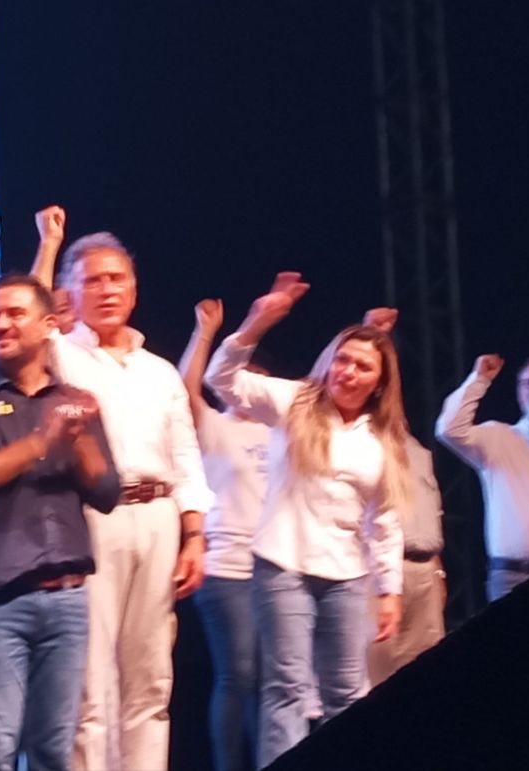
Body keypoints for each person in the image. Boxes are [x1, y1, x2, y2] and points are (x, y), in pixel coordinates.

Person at [31, 206, 214, 771]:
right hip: (94, 517)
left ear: (133, 291)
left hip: (158, 518)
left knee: (151, 673)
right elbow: (32, 318)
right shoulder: (64, 355)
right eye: (92, 280)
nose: (107, 289)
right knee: (90, 676)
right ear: (70, 293)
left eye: (117, 279)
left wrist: (194, 536)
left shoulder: (160, 371)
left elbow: (186, 456)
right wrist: (49, 245)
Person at [204, 273, 407, 768]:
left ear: (379, 382)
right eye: (342, 359)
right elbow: (221, 379)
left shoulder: (380, 438)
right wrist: (256, 323)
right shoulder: (296, 402)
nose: (348, 371)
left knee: (347, 692)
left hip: (347, 575)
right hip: (284, 565)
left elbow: (384, 520)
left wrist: (390, 589)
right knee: (289, 687)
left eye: (362, 366)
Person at [0, 274, 119, 770]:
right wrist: (41, 442)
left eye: (14, 313)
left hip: (66, 600)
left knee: (54, 753)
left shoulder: (75, 398)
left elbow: (106, 493)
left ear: (48, 325)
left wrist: (79, 437)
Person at [178, 298, 271, 771]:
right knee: (239, 673)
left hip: (273, 567)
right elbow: (185, 389)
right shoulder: (214, 426)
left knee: (270, 677)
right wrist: (205, 333)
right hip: (226, 569)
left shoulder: (279, 433)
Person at [360, 308, 446, 685]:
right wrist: (371, 333)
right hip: (380, 569)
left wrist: (439, 570)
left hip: (425, 572)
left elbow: (430, 513)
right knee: (377, 674)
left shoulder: (416, 450)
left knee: (428, 677)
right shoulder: (364, 439)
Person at [435, 352, 529, 600]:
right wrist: (479, 379)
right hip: (513, 577)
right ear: (519, 390)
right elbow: (449, 429)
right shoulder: (500, 437)